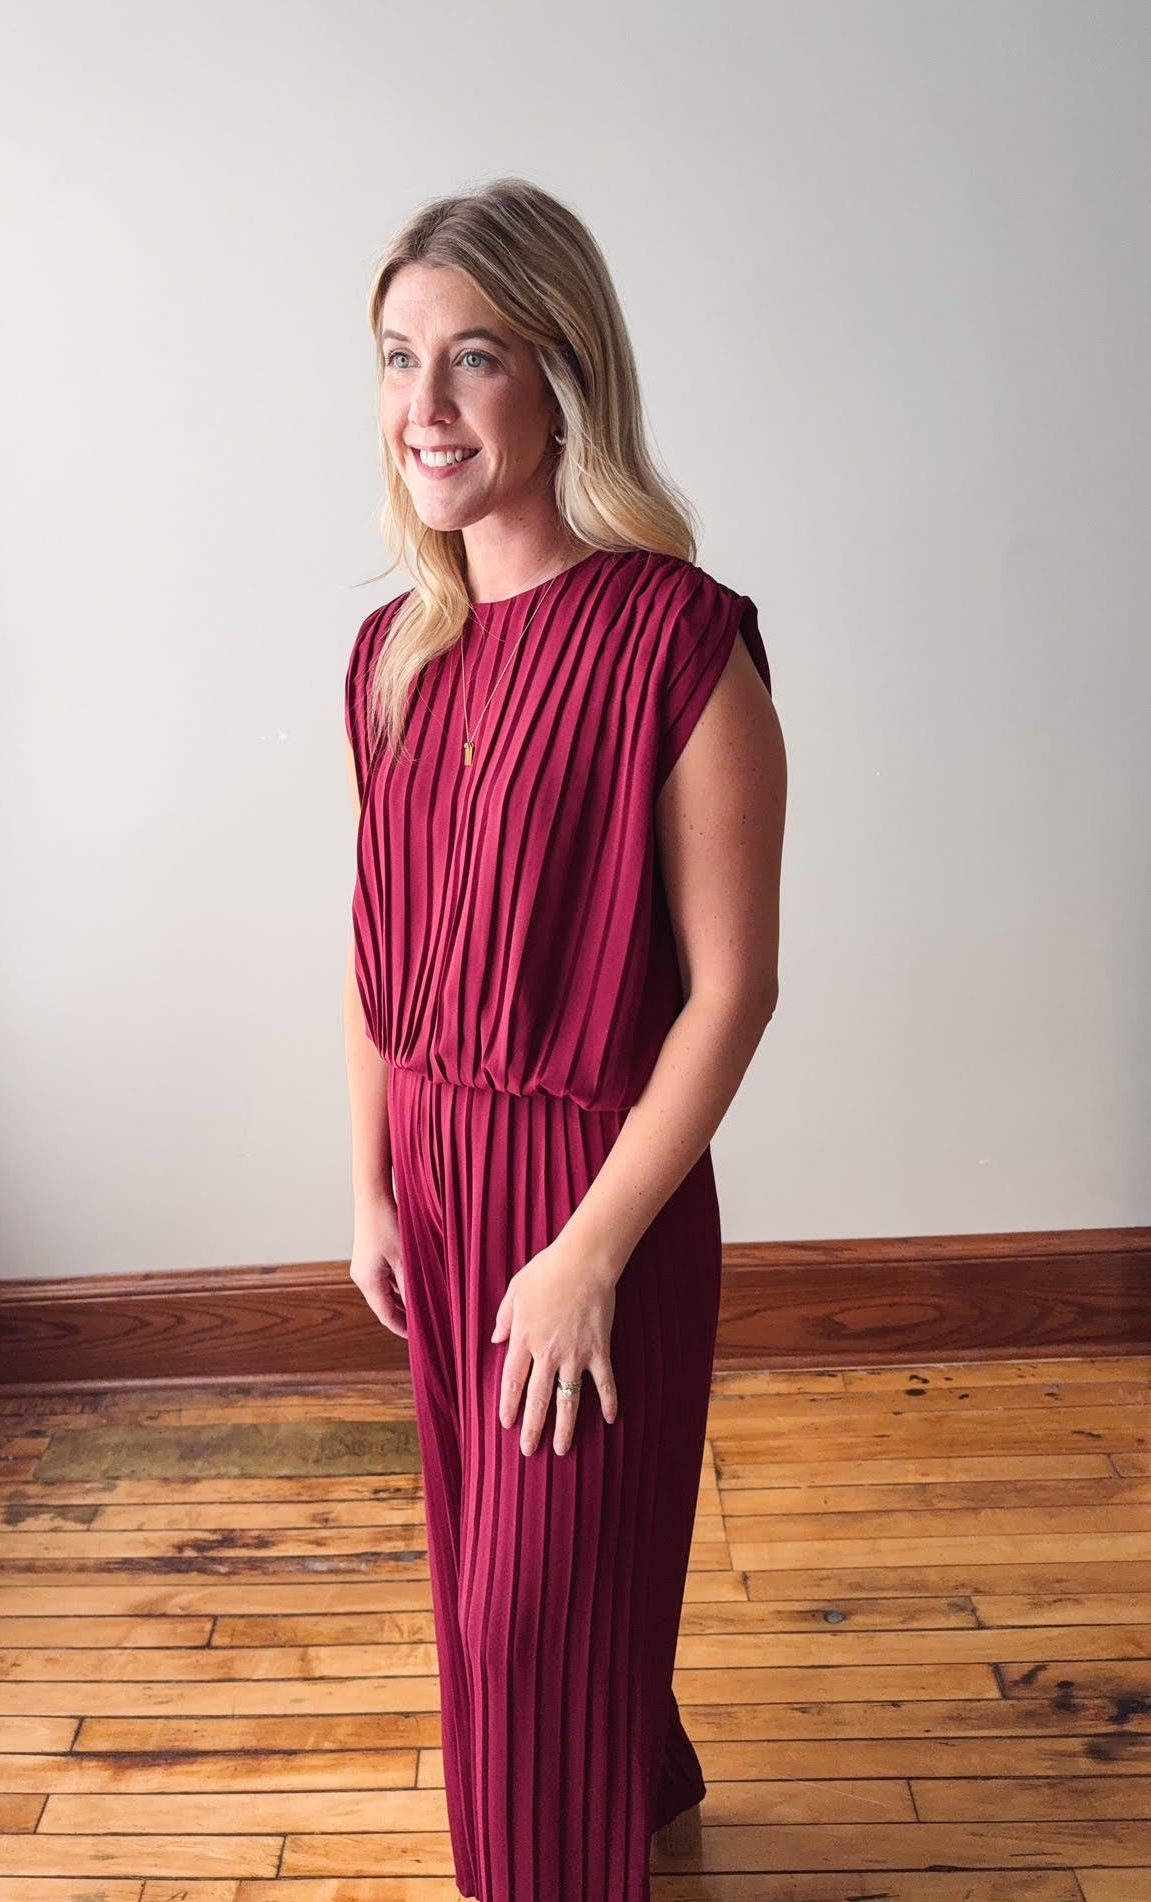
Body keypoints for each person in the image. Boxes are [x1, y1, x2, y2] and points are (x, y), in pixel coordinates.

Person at [342, 176, 787, 1902]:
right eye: (396, 359)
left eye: (473, 359)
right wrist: (370, 1179)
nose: (424, 408)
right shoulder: (394, 654)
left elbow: (732, 988)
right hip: (440, 1189)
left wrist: (588, 1251)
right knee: (498, 1581)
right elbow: (381, 957)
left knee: (523, 1623)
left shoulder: (679, 642)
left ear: (561, 378)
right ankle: (652, 1798)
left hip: (587, 1187)